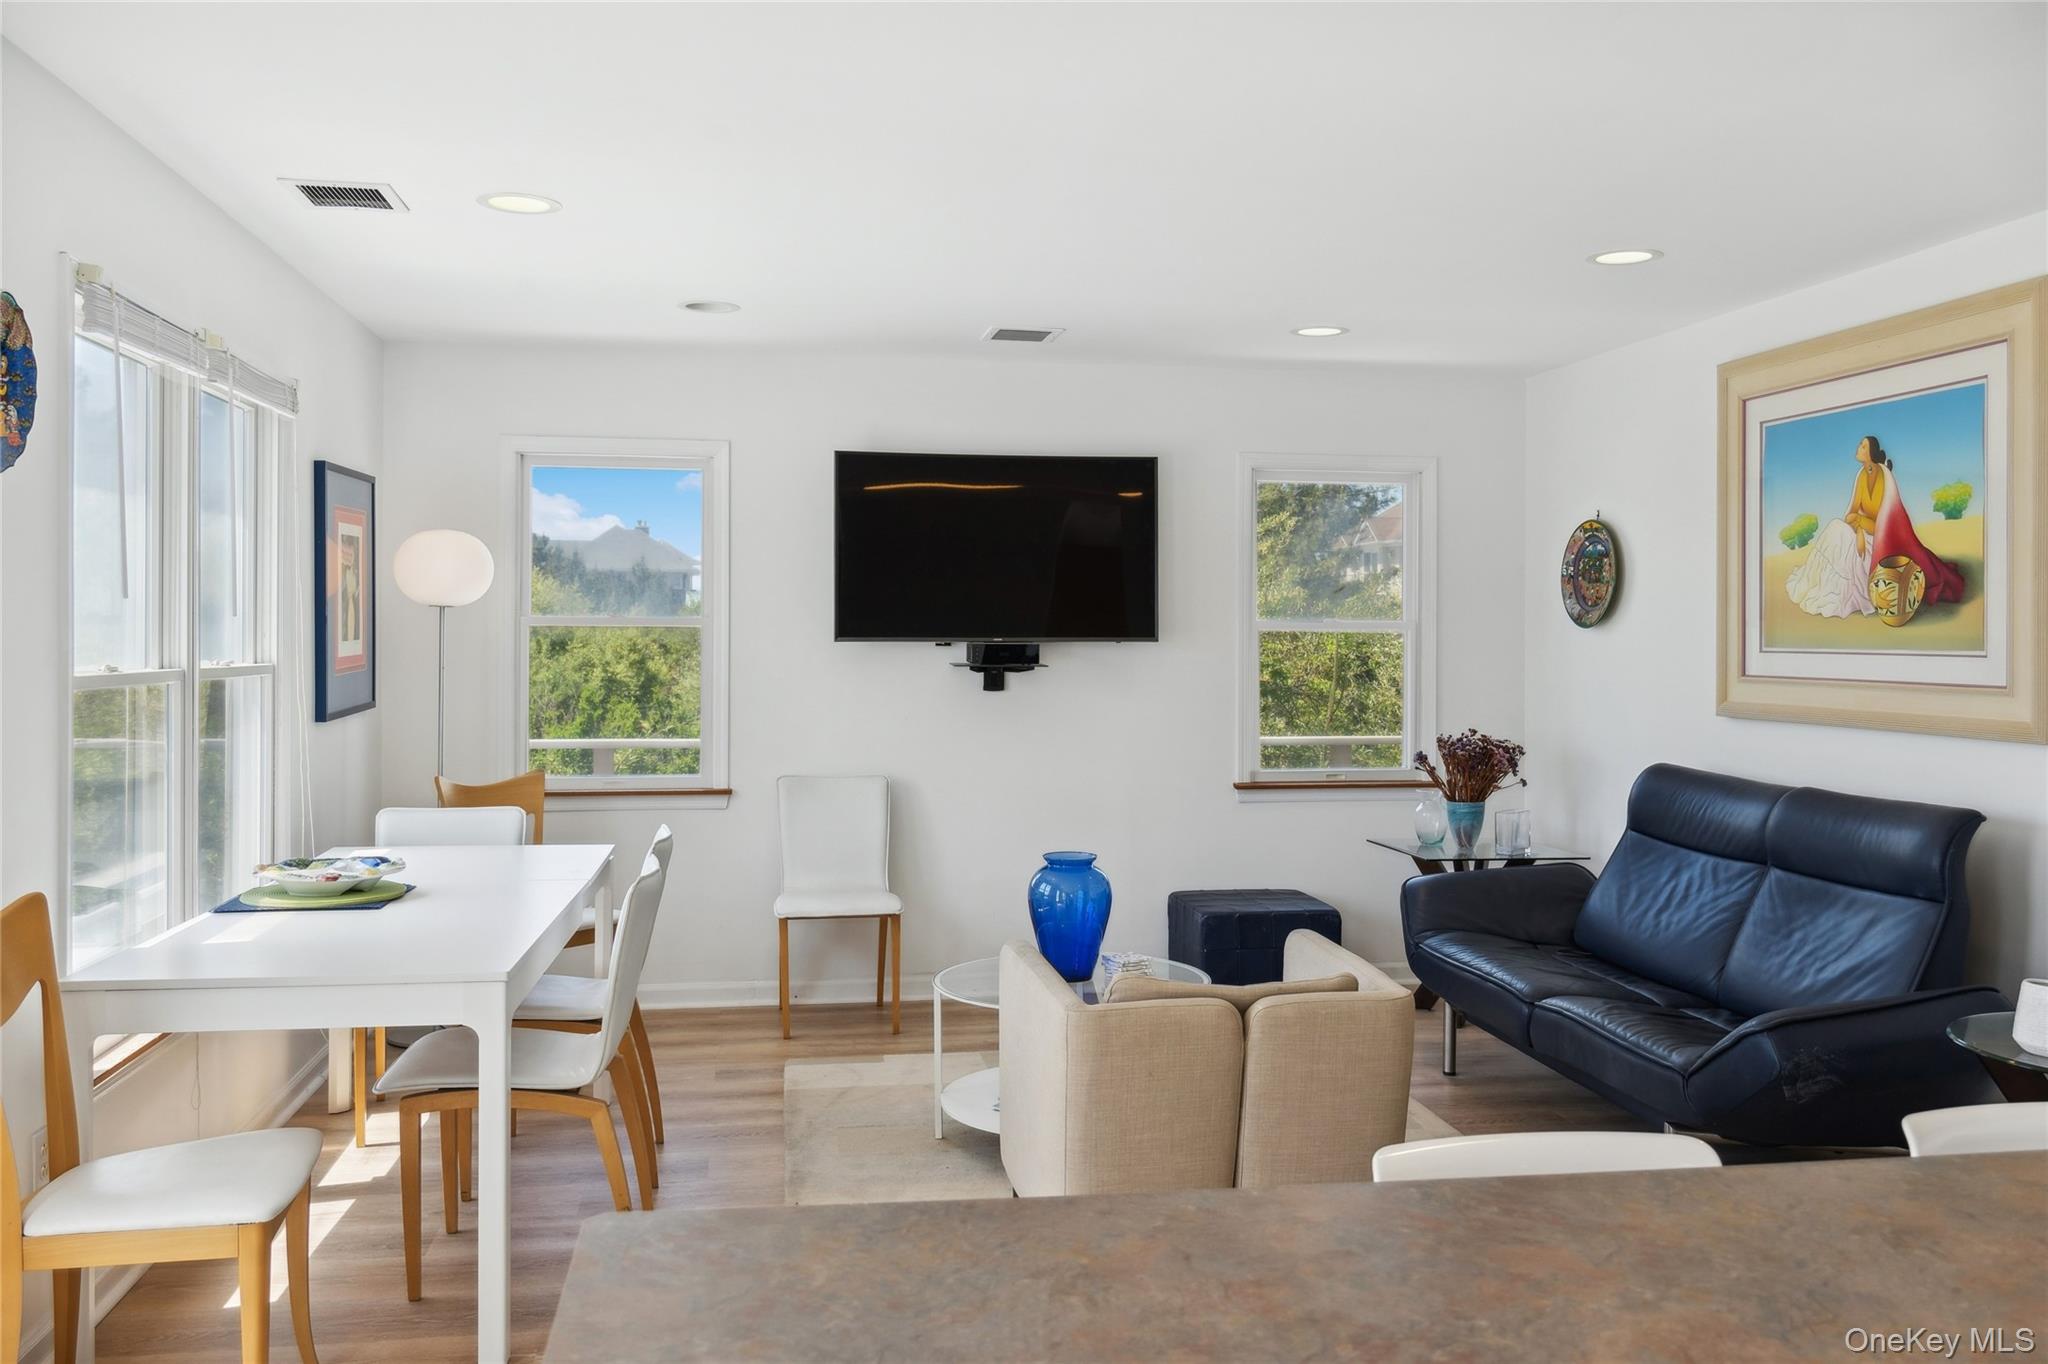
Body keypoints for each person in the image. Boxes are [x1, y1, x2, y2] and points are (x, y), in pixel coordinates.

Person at [1786, 435, 1963, 617]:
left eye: (1863, 446)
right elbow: (1851, 513)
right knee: (1835, 527)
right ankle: (1819, 584)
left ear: (1871, 453)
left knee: (1838, 532)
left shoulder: (1884, 477)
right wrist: (1860, 530)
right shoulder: (1861, 475)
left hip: (1880, 540)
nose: (1858, 447)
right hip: (1863, 533)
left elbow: (1883, 525)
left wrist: (1861, 526)